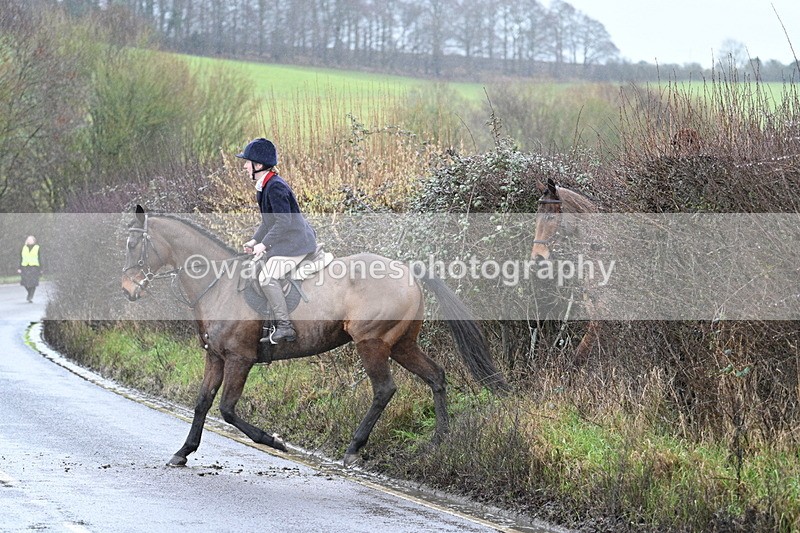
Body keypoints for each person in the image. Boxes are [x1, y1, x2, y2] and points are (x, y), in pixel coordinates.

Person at [237, 137, 317, 343]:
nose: (245, 166)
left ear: (259, 165)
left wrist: (264, 245)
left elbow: (283, 223)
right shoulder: (264, 186)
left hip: (297, 244)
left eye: (247, 162)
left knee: (267, 278)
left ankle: (284, 326)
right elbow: (267, 222)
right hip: (286, 241)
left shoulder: (275, 187)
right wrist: (254, 241)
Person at [18, 235, 42, 303]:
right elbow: (20, 258)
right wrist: (19, 267)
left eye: (30, 239)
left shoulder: (37, 248)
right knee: (25, 282)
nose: (29, 240)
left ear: (34, 241)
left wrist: (41, 268)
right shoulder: (23, 248)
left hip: (34, 267)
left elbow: (40, 258)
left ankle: (30, 296)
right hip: (25, 266)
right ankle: (29, 293)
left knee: (33, 283)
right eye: (28, 239)